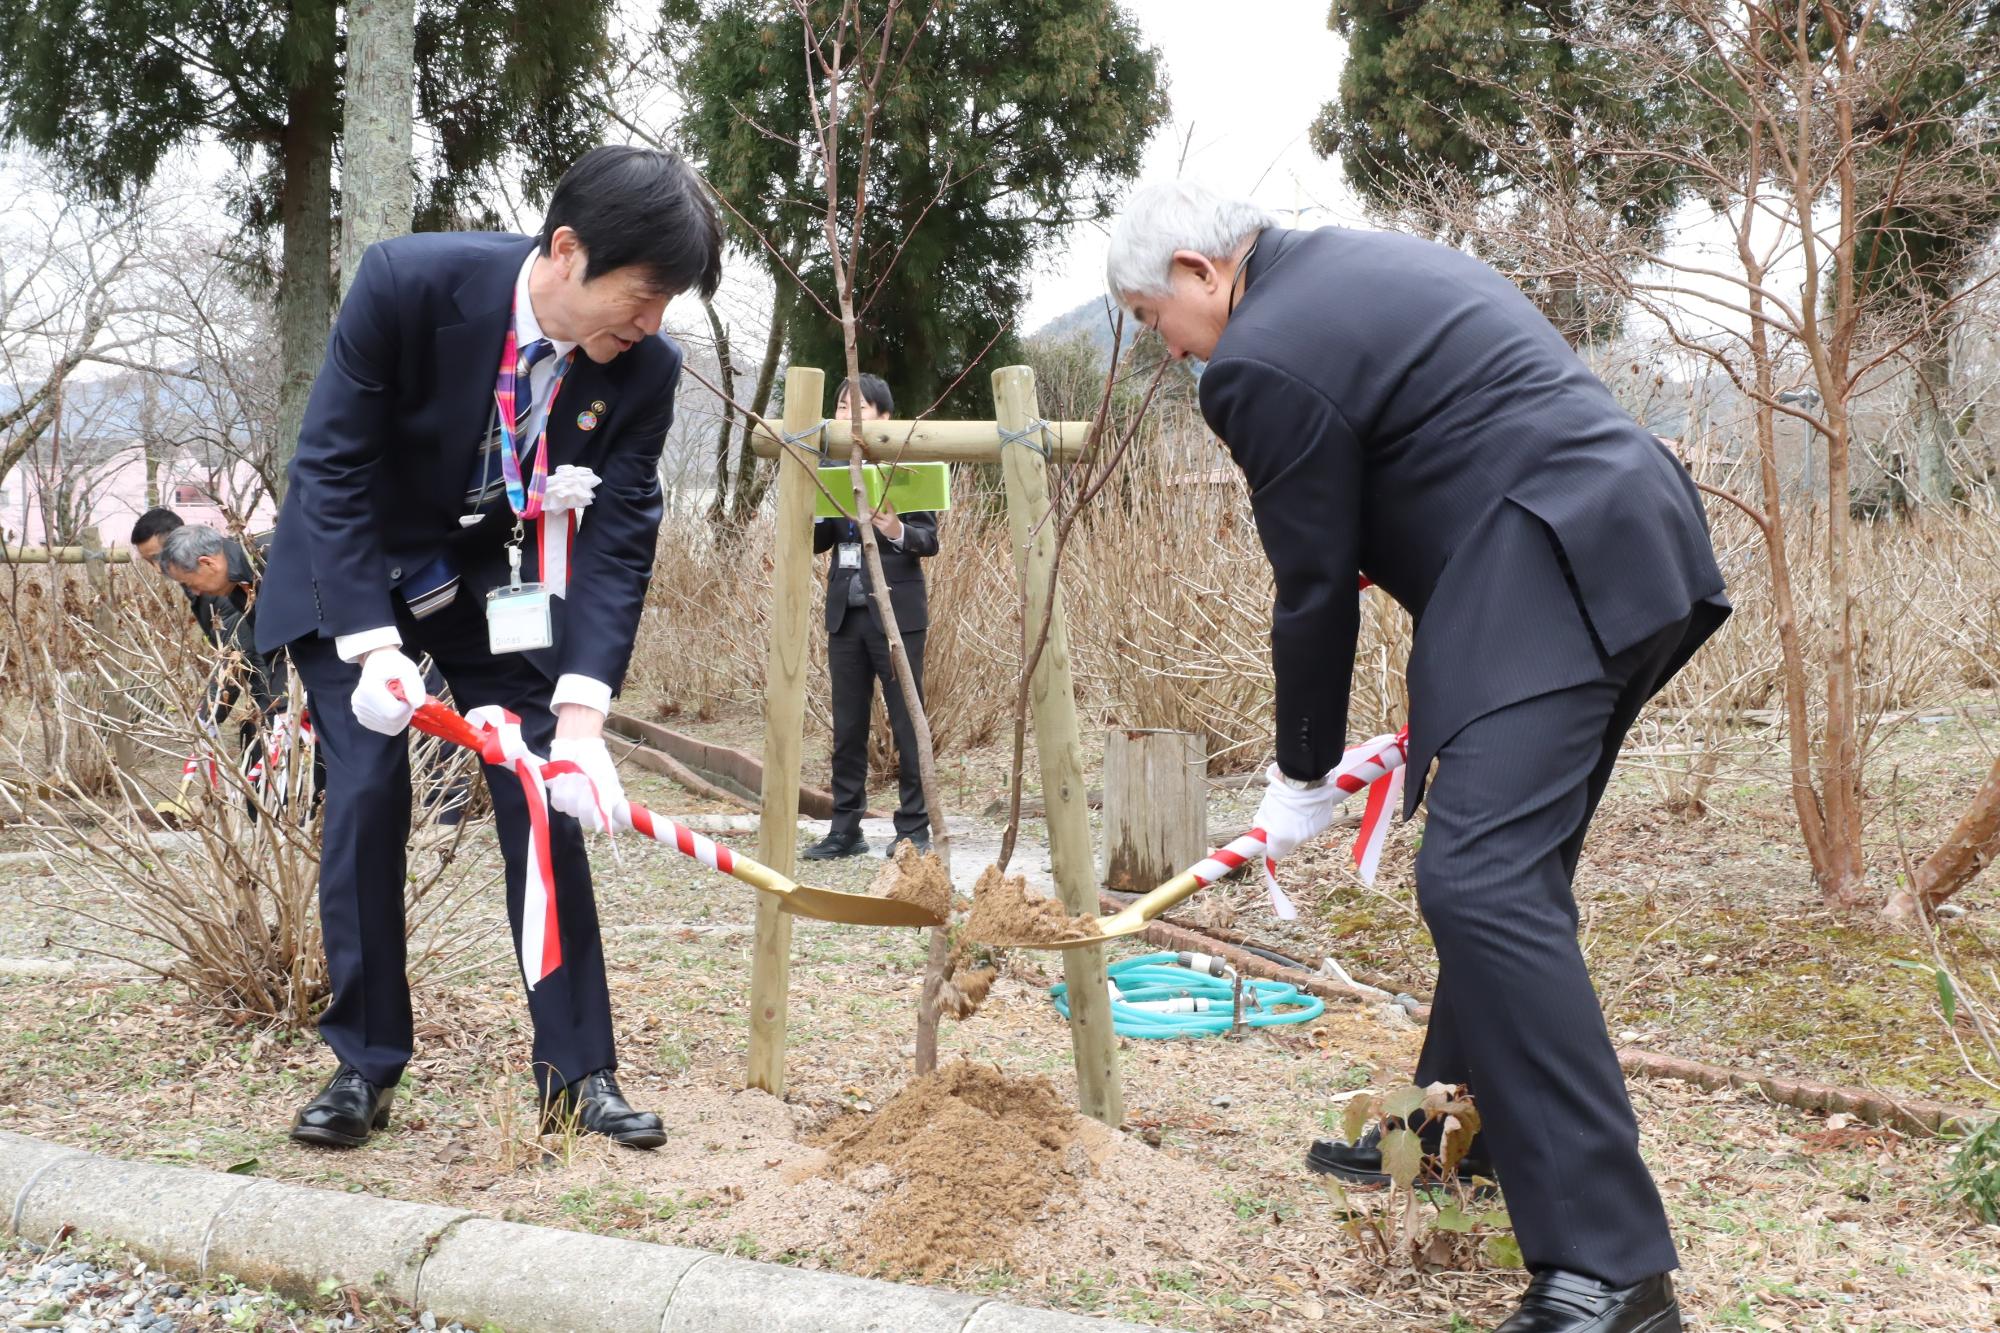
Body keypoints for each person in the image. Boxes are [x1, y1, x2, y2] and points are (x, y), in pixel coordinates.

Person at [1106, 181, 1729, 1333]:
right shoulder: (1362, 266)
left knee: (1479, 883)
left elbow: (1310, 590)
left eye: (1154, 322)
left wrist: (1296, 776)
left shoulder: (1259, 356)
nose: (1172, 352)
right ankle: (1436, 1137)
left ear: (1197, 272)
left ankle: (1612, 1269)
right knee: (1500, 881)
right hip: (1632, 541)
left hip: (1542, 570)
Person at [255, 145, 722, 1151]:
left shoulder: (645, 370)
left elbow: (619, 534)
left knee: (545, 786)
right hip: (355, 573)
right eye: (643, 295)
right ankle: (364, 1064)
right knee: (371, 786)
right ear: (567, 251)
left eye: (666, 303)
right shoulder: (407, 284)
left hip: (484, 591)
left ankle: (577, 1070)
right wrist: (372, 644)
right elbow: (330, 473)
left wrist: (587, 715)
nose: (650, 323)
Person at [801, 374, 939, 860]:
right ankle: (845, 829)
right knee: (848, 725)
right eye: (840, 405)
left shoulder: (906, 464)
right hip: (845, 613)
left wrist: (895, 527)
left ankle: (913, 829)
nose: (846, 414)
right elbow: (817, 543)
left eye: (857, 406)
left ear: (883, 415)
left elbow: (930, 541)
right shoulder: (829, 466)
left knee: (908, 723)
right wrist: (816, 511)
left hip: (897, 614)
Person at [155, 523, 293, 789]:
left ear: (206, 563)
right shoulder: (239, 588)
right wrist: (285, 707)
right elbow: (276, 649)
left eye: (188, 583)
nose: (194, 592)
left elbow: (240, 652)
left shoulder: (271, 557)